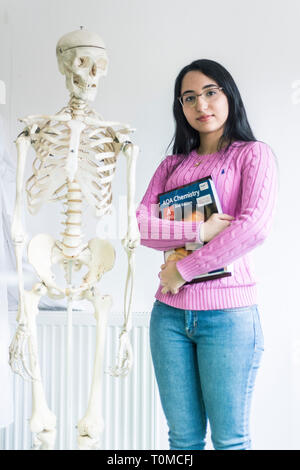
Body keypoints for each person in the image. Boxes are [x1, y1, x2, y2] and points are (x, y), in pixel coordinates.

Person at [136, 59, 278, 450]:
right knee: (183, 441)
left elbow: (253, 228)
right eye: (189, 97)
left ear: (228, 94)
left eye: (210, 92)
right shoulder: (172, 165)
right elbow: (141, 227)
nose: (201, 105)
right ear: (180, 108)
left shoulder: (253, 156)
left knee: (230, 441)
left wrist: (183, 268)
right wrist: (199, 229)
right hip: (168, 318)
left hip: (228, 317)